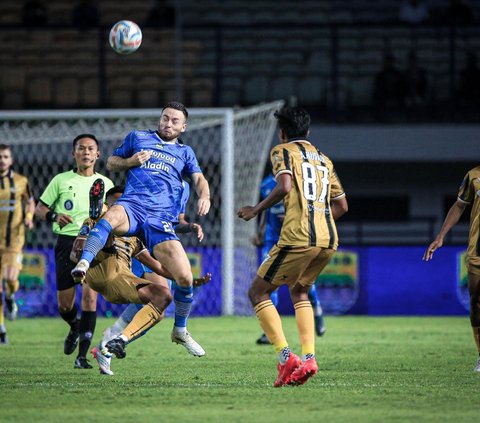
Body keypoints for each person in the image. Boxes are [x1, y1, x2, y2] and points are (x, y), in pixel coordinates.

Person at [71, 101, 211, 359]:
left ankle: (178, 330)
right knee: (110, 217)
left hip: (160, 220)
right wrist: (131, 161)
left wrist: (206, 197)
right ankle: (83, 262)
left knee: (183, 280)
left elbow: (200, 179)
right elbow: (112, 162)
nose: (168, 124)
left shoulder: (185, 154)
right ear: (160, 119)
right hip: (133, 206)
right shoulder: (138, 138)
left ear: (184, 127)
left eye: (174, 121)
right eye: (165, 118)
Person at [237, 106, 348, 387]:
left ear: (283, 132)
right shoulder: (325, 160)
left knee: (257, 292)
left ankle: (286, 357)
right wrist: (318, 218)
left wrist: (255, 209)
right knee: (300, 291)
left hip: (297, 236)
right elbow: (342, 206)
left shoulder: (282, 151)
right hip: (328, 240)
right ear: (308, 131)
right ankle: (309, 357)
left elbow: (285, 186)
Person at [90, 184, 210, 375]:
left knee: (158, 309)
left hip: (159, 247)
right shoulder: (148, 171)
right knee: (158, 301)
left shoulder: (183, 186)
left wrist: (190, 226)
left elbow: (175, 221)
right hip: (138, 245)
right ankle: (112, 342)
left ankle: (110, 340)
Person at [35, 134, 114, 369]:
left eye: (91, 149)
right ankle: (74, 326)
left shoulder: (105, 183)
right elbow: (40, 208)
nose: (86, 152)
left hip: (94, 243)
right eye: (81, 148)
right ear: (74, 153)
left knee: (90, 297)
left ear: (98, 154)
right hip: (67, 242)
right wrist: (53, 215)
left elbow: (112, 213)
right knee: (65, 306)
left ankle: (82, 357)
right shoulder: (61, 180)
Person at [253, 171, 326, 345]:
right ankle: (269, 331)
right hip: (272, 239)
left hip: (295, 239)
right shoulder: (265, 184)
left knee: (302, 282)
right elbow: (265, 209)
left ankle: (317, 310)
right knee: (268, 282)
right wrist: (260, 231)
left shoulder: (300, 181)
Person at [423, 166, 480, 372]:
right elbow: (459, 206)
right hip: (477, 251)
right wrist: (440, 237)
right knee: (476, 304)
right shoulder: (474, 176)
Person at [0, 145, 35, 344]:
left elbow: (30, 201)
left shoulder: (21, 181)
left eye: (5, 156)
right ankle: (2, 329)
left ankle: (11, 297)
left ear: (11, 160)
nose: (2, 160)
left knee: (10, 279)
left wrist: (29, 217)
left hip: (13, 240)